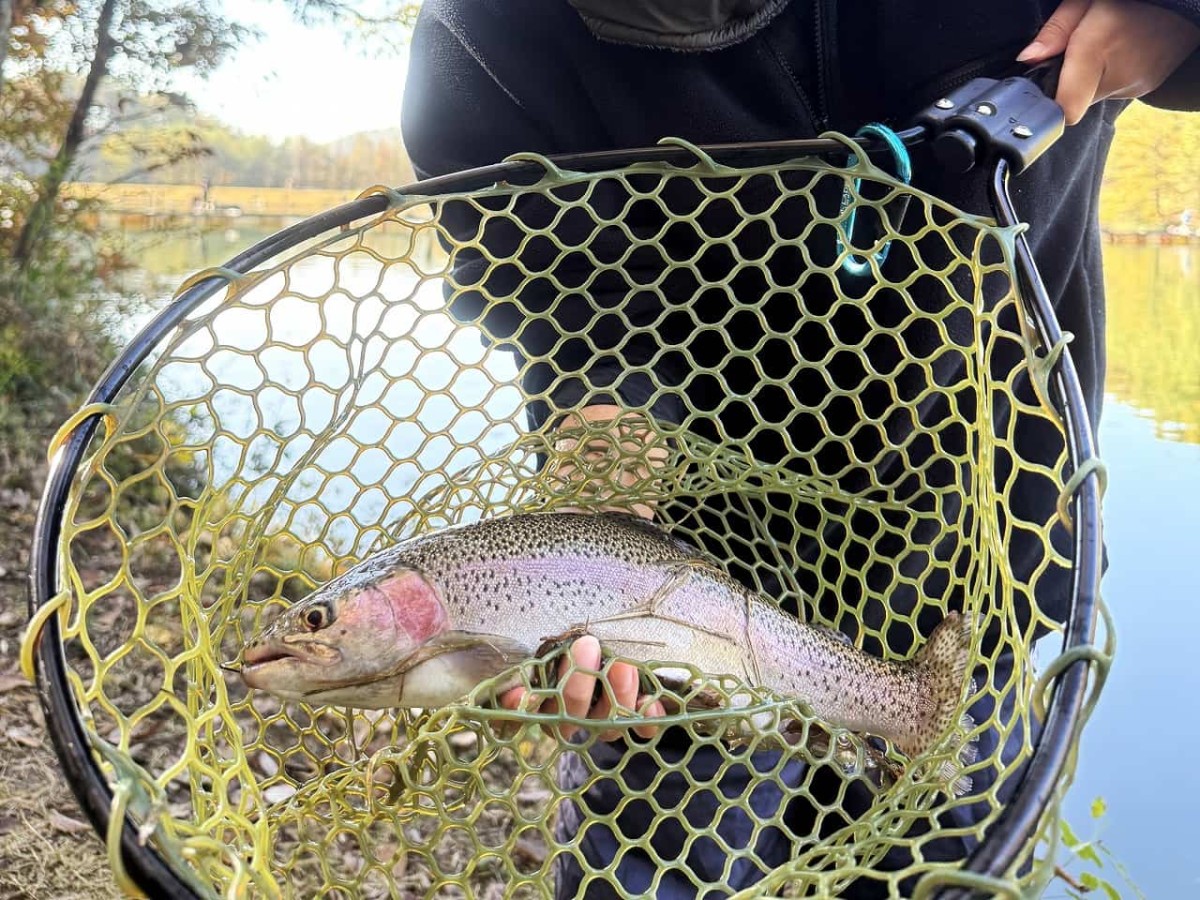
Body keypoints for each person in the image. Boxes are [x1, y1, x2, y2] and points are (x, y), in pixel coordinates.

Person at [400, 2, 1200, 896]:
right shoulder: (487, 37)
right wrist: (602, 501)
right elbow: (567, 321)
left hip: (980, 557)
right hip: (696, 571)